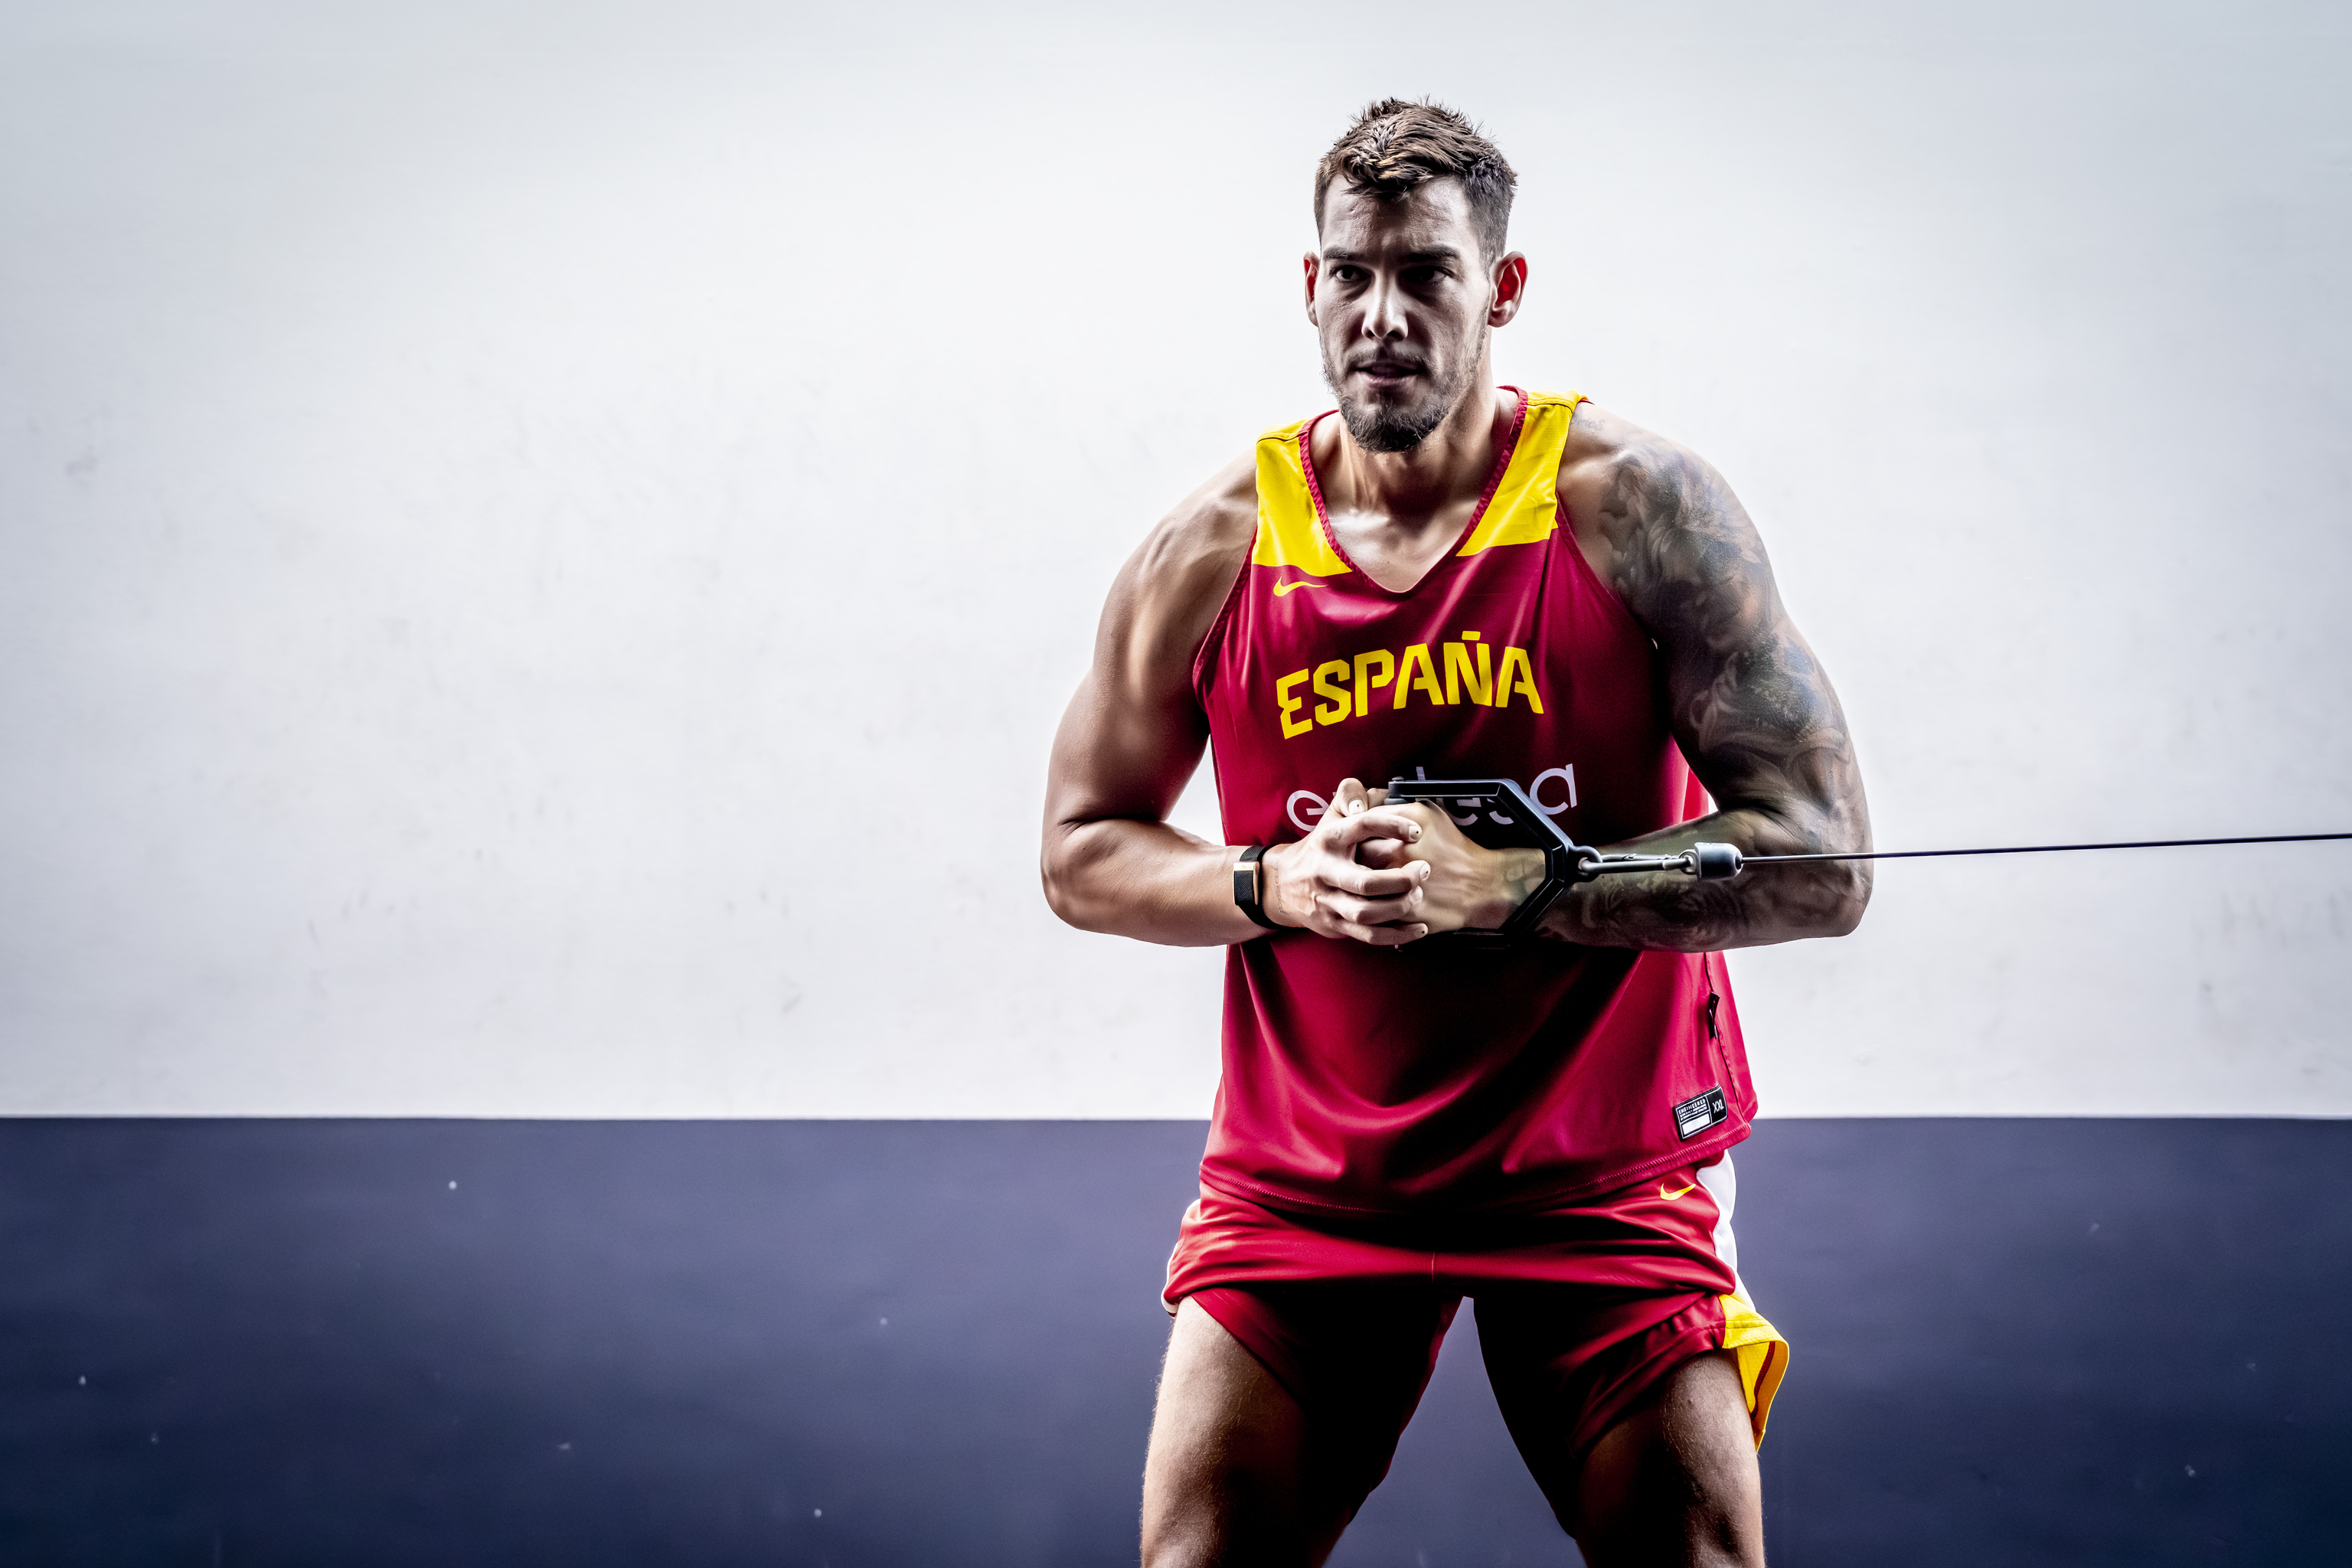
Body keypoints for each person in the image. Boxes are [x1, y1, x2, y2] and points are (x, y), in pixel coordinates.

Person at [1040, 99, 1871, 1568]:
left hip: (1601, 1172)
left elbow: (1822, 859)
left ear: (1501, 289)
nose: (1383, 315)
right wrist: (1269, 880)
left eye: (1425, 273)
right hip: (1313, 1182)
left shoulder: (1638, 510)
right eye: (1350, 274)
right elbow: (1081, 847)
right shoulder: (1213, 548)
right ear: (1310, 287)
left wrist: (1527, 890)